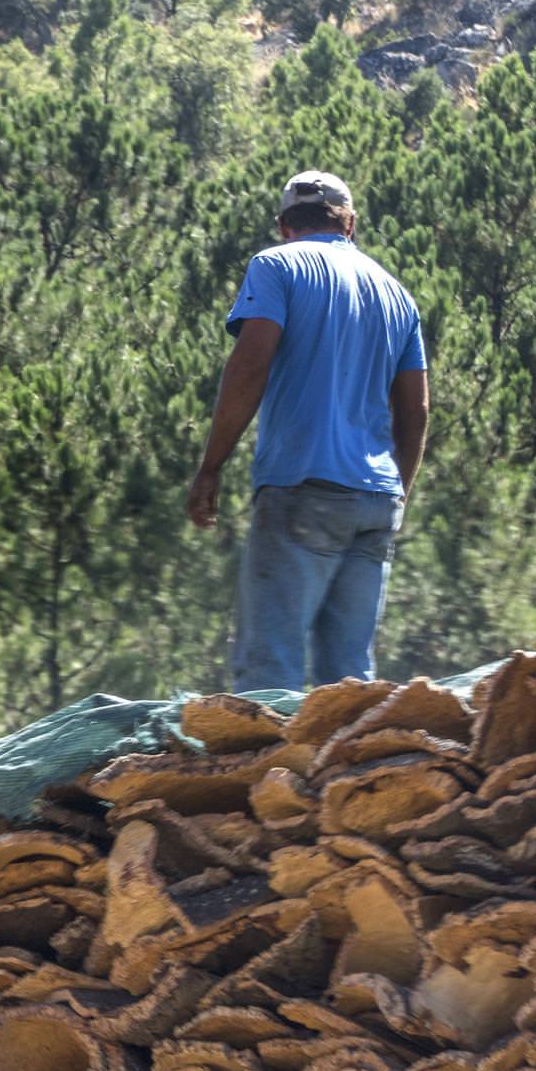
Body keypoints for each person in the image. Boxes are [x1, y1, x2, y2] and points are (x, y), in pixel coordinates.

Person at [187, 170, 430, 694]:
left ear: (283, 225)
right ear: (350, 223)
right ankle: (352, 776)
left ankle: (264, 776)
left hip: (302, 488)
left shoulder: (275, 266)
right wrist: (398, 496)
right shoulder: (397, 295)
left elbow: (249, 367)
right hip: (375, 501)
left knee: (269, 673)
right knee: (348, 685)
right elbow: (417, 413)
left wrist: (211, 467)